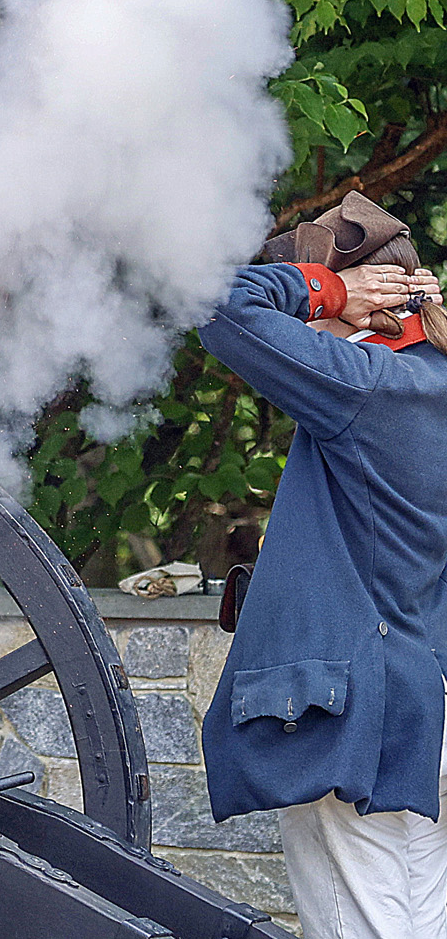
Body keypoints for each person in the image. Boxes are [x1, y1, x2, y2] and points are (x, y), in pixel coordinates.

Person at [200, 191, 447, 939]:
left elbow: (218, 307)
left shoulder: (368, 385)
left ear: (373, 300)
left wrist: (328, 286)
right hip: (422, 713)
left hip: (372, 720)